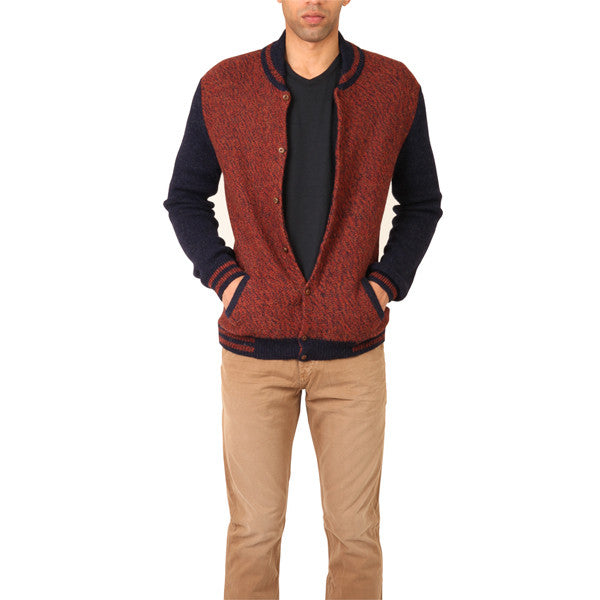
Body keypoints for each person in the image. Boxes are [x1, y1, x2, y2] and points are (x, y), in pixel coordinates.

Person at [163, 1, 443, 598]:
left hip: (353, 352)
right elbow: (185, 196)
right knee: (254, 532)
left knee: (355, 534)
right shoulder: (224, 86)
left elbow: (422, 203)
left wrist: (383, 285)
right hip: (252, 352)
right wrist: (227, 280)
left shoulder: (393, 87)